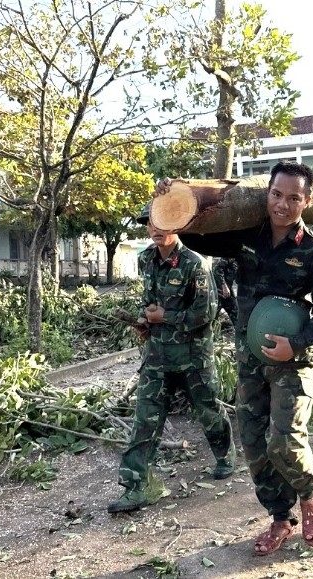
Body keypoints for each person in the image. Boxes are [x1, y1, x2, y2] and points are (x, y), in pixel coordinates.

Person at [160, 161, 313, 555]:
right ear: (267, 194)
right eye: (277, 194)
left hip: (292, 362)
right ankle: (281, 518)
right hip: (250, 360)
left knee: (285, 441)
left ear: (307, 201)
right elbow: (201, 241)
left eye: (294, 197)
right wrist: (174, 200)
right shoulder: (247, 236)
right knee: (253, 446)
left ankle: (309, 496)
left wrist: (295, 344)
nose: (283, 204)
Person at [107, 202, 236, 514]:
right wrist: (144, 321)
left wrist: (166, 316)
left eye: (162, 222)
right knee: (144, 420)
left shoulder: (195, 263)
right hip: (157, 357)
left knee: (207, 410)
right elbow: (149, 302)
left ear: (176, 224)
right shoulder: (147, 259)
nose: (156, 229)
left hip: (193, 357)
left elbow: (206, 313)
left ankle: (225, 455)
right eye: (150, 223)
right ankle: (137, 486)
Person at [212, 257, 238, 326]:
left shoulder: (242, 257)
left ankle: (239, 333)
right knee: (213, 314)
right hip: (218, 289)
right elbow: (217, 270)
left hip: (228, 289)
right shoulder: (229, 256)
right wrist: (224, 286)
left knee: (235, 311)